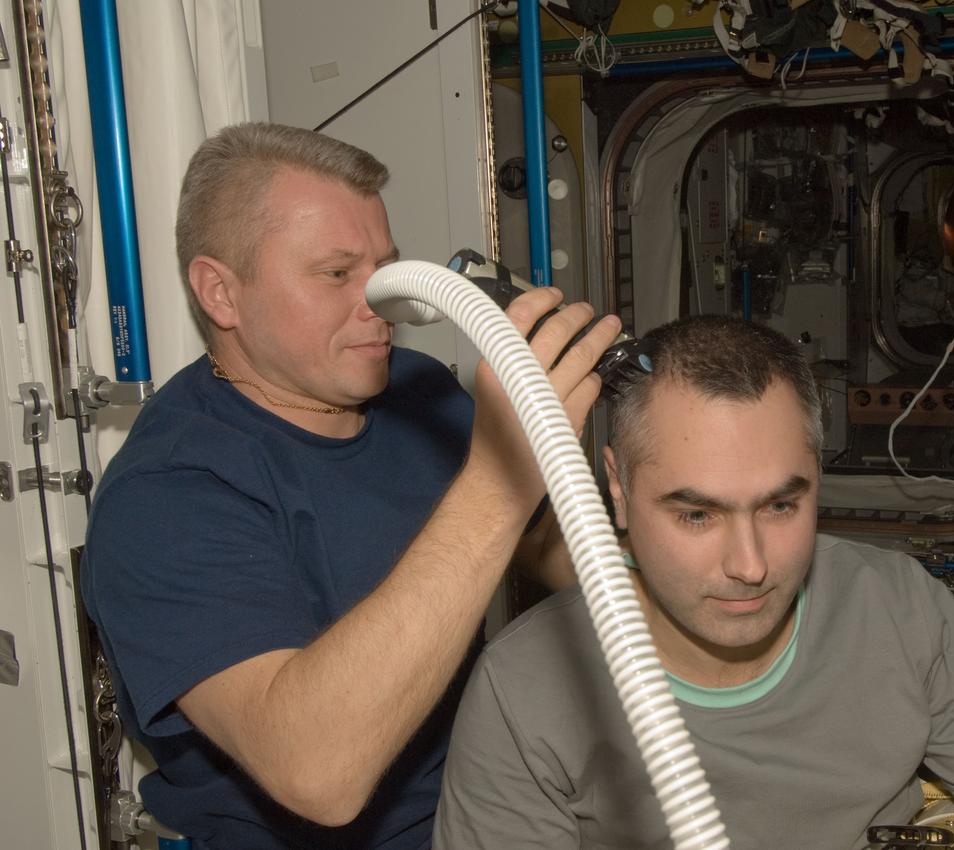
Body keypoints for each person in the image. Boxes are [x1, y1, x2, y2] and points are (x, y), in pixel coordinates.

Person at [80, 122, 619, 848]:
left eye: (384, 268)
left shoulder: (417, 390)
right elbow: (318, 773)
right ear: (221, 293)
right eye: (337, 274)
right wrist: (498, 479)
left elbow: (552, 544)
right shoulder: (166, 495)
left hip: (491, 805)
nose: (381, 302)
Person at [433, 315, 954, 850]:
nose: (749, 564)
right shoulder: (524, 693)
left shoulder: (897, 613)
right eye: (695, 514)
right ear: (616, 488)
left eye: (782, 505)